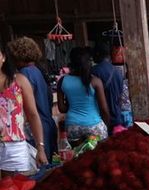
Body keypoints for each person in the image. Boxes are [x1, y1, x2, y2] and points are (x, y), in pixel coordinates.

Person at [0, 42, 48, 175]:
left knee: (18, 189)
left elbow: (32, 114)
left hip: (15, 148)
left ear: (3, 57)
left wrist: (40, 147)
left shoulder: (19, 81)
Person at [7, 37, 57, 160]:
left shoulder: (24, 75)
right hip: (47, 124)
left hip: (35, 130)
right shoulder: (37, 71)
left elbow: (25, 109)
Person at [57, 47, 110, 142]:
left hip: (72, 126)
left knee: (77, 156)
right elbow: (104, 109)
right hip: (94, 125)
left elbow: (61, 108)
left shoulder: (62, 81)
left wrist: (74, 105)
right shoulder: (95, 81)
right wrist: (106, 125)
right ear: (89, 62)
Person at [92, 42, 124, 131]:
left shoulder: (94, 71)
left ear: (97, 54)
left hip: (102, 119)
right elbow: (120, 97)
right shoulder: (118, 72)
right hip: (117, 116)